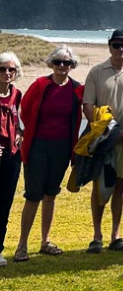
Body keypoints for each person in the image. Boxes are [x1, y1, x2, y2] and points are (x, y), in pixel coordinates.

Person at [14, 45, 84, 262]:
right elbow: (24, 110)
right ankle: (22, 245)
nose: (62, 66)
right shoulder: (40, 85)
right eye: (58, 62)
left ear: (72, 65)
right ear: (51, 63)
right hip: (37, 147)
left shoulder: (76, 88)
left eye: (67, 63)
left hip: (62, 148)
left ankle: (45, 241)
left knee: (51, 194)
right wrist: (23, 134)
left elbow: (84, 113)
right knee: (33, 195)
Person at [83, 30, 123, 254]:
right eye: (117, 45)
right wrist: (105, 131)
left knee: (120, 186)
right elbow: (88, 105)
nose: (121, 50)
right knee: (100, 187)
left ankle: (115, 235)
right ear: (109, 46)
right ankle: (97, 235)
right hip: (103, 139)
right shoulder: (97, 72)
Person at [0, 52, 23, 267]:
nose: (7, 73)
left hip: (12, 155)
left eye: (11, 69)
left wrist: (20, 135)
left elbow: (20, 122)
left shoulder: (17, 95)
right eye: (3, 69)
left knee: (4, 204)